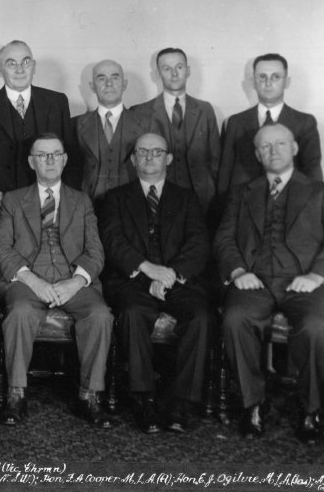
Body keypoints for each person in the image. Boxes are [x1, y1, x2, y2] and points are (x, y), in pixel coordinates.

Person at [215, 123, 324, 443]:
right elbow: (224, 238)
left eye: (280, 144)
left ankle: (310, 409)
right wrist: (239, 272)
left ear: (294, 148)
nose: (273, 151)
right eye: (265, 147)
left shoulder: (321, 192)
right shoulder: (243, 193)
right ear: (257, 154)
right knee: (235, 319)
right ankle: (253, 404)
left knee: (314, 326)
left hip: (305, 283)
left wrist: (316, 276)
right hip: (255, 281)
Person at [0, 133, 113, 429]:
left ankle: (89, 395)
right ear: (31, 161)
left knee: (100, 315)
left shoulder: (81, 200)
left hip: (71, 280)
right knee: (20, 313)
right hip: (27, 280)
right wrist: (34, 282)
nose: (49, 160)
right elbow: (1, 249)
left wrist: (76, 282)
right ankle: (16, 394)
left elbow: (96, 251)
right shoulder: (12, 199)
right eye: (42, 155)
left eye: (55, 154)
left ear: (65, 159)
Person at [99, 133, 212, 434]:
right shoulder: (114, 198)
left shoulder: (186, 198)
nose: (150, 157)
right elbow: (113, 242)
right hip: (132, 280)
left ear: (169, 159)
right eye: (142, 152)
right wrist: (148, 270)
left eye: (157, 151)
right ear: (133, 159)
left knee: (200, 317)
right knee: (134, 314)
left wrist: (169, 275)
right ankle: (143, 398)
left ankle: (181, 403)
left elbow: (199, 243)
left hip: (177, 281)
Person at [0, 40, 78, 213]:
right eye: (11, 63)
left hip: (50, 205)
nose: (20, 69)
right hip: (0, 205)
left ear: (34, 67)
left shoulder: (57, 102)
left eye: (26, 62)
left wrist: (61, 196)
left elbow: (71, 156)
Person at [217, 53, 322, 196]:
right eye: (262, 77)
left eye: (276, 77)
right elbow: (224, 177)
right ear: (253, 82)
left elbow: (313, 175)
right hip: (243, 209)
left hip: (288, 209)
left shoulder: (304, 123)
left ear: (287, 82)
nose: (268, 83)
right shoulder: (235, 123)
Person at [131, 48, 220, 215]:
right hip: (157, 199)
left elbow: (216, 159)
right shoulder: (140, 112)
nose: (174, 74)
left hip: (202, 199)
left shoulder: (205, 110)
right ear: (157, 74)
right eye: (166, 68)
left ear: (188, 70)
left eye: (179, 67)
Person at [74, 59, 151, 204]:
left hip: (132, 205)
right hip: (88, 206)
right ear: (92, 86)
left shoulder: (146, 123)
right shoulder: (76, 124)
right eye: (101, 78)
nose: (108, 83)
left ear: (125, 84)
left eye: (115, 78)